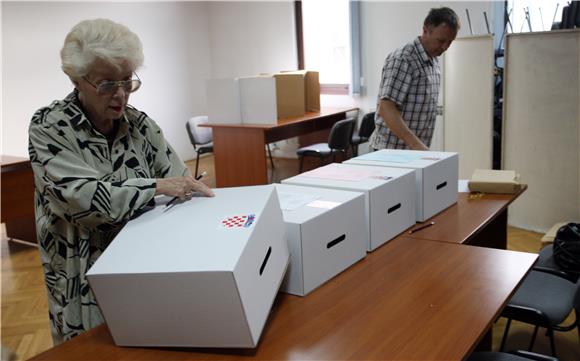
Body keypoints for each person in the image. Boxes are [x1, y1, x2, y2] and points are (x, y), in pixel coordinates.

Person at [28, 18, 214, 344]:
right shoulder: (51, 127)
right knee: (91, 348)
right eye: (106, 84)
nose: (121, 95)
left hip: (142, 265)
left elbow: (180, 179)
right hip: (80, 276)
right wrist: (155, 187)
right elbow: (83, 201)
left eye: (127, 80)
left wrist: (190, 190)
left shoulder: (140, 125)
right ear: (76, 79)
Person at [369, 7, 460, 151]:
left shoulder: (433, 58)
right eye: (441, 40)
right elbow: (386, 108)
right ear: (425, 30)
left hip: (413, 152)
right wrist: (417, 145)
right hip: (392, 153)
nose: (445, 47)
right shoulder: (404, 59)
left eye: (450, 42)